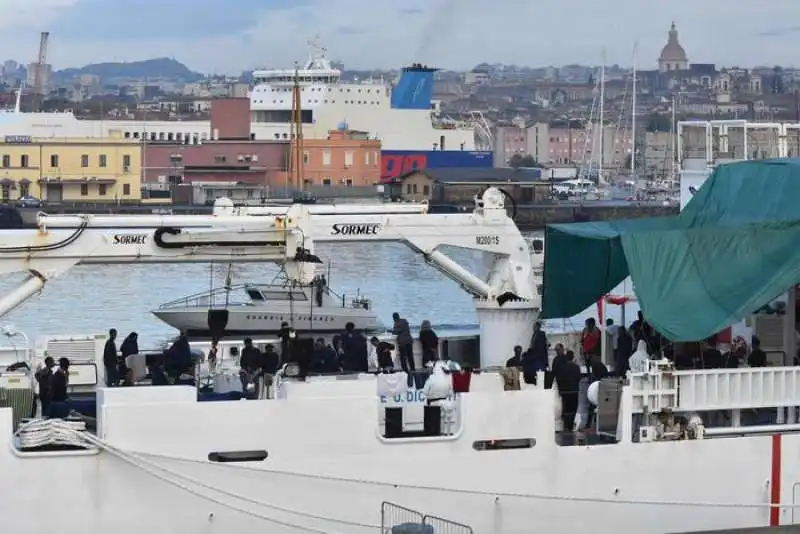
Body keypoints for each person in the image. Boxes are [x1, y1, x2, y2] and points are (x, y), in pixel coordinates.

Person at [554, 350, 582, 432]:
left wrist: (561, 389)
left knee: (566, 408)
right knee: (573, 408)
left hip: (565, 391)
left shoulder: (562, 368)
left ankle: (566, 424)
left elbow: (559, 379)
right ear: (573, 357)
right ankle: (571, 424)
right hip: (574, 390)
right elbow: (578, 378)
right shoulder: (576, 367)